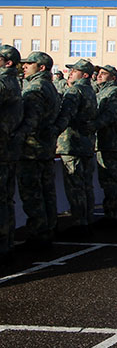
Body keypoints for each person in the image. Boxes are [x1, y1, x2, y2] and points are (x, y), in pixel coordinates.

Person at [13, 51, 61, 250]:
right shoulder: (49, 86)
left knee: (33, 193)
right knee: (47, 191)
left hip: (32, 149)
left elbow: (31, 121)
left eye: (29, 64)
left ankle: (38, 234)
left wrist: (14, 138)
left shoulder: (36, 87)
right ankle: (48, 229)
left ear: (41, 67)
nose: (24, 66)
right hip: (46, 147)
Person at [53, 59, 98, 235]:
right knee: (86, 185)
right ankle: (87, 218)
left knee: (75, 186)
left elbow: (66, 116)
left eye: (75, 71)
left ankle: (80, 221)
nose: (70, 73)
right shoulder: (90, 90)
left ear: (84, 74)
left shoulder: (75, 90)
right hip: (86, 143)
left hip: (71, 144)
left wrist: (52, 132)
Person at [93, 65, 117, 227]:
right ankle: (112, 211)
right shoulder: (102, 91)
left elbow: (110, 116)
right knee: (107, 179)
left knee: (112, 178)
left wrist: (91, 125)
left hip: (111, 141)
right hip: (103, 141)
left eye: (103, 74)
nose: (99, 76)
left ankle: (114, 213)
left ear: (113, 78)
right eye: (98, 73)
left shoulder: (115, 92)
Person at [0, 45, 23, 261]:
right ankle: (6, 243)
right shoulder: (14, 82)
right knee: (6, 199)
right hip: (9, 148)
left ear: (8, 63)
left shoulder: (3, 82)